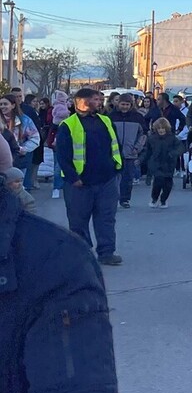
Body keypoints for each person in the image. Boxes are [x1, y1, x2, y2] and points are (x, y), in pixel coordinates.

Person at [0, 180, 125, 393]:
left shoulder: (55, 266)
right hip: (80, 180)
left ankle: (106, 248)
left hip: (103, 177)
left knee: (104, 215)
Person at [56, 88, 124, 266]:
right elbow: (63, 156)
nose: (99, 102)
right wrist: (73, 178)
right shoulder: (68, 125)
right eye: (95, 99)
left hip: (106, 180)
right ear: (82, 102)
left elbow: (116, 145)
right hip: (80, 183)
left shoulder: (106, 121)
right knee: (78, 221)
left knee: (106, 219)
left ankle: (107, 252)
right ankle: (82, 255)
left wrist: (117, 168)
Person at [109, 93, 146, 209]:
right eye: (122, 104)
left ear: (131, 105)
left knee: (127, 178)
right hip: (114, 153)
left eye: (127, 104)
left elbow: (143, 134)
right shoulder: (111, 117)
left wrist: (137, 148)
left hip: (130, 152)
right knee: (113, 178)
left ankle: (125, 199)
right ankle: (113, 198)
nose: (124, 107)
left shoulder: (137, 117)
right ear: (118, 104)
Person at [141, 117, 185, 209]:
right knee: (158, 181)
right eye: (159, 128)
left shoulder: (172, 138)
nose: (161, 130)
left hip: (169, 164)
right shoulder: (152, 138)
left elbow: (180, 148)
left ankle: (163, 199)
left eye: (163, 128)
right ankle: (154, 198)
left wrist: (173, 154)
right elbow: (147, 151)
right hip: (156, 163)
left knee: (168, 184)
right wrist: (142, 160)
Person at [0, 94, 40, 191]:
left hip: (18, 159)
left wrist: (23, 148)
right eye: (0, 104)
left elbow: (35, 138)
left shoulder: (25, 120)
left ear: (13, 105)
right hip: (2, 161)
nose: (2, 107)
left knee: (17, 190)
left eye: (5, 104)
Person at [48, 90, 71, 199]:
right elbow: (57, 114)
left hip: (63, 138)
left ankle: (60, 185)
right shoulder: (58, 108)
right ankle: (56, 187)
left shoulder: (63, 105)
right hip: (57, 139)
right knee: (58, 166)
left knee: (60, 165)